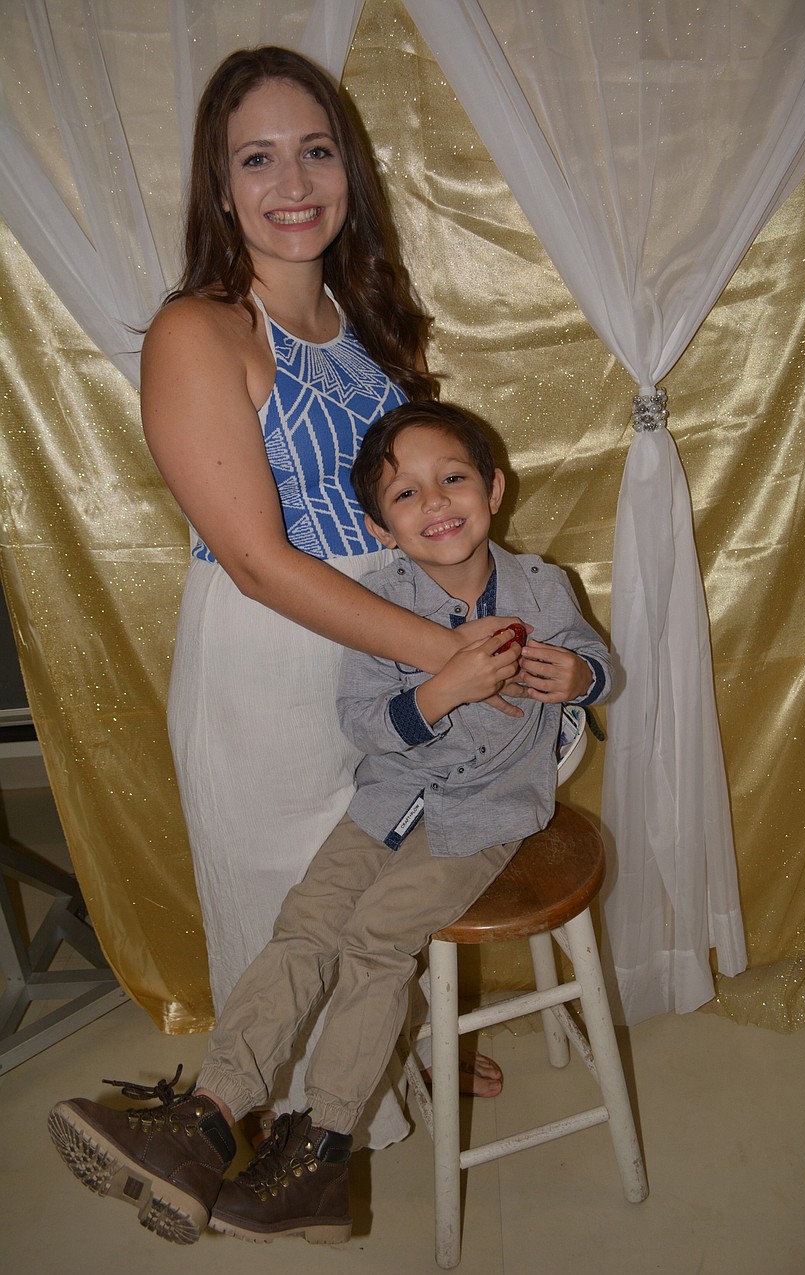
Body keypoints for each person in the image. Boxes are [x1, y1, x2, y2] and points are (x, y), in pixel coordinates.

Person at [48, 401, 613, 1247]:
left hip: (486, 817)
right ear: (382, 527)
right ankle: (208, 1117)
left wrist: (582, 673)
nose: (435, 503)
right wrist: (439, 688)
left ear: (493, 488)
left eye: (452, 478)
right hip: (388, 805)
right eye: (405, 495)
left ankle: (320, 1154)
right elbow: (364, 724)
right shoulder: (377, 603)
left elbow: (598, 666)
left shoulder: (542, 587)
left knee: (378, 939)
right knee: (303, 925)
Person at [138, 45, 516, 1147]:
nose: (291, 184)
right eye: (257, 159)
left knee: (387, 874)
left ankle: (394, 1049)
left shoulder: (359, 318)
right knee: (295, 898)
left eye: (314, 152)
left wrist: (458, 627)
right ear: (220, 187)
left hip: (381, 654)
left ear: (348, 169)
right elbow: (257, 559)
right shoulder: (197, 330)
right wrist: (453, 648)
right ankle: (302, 1131)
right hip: (270, 667)